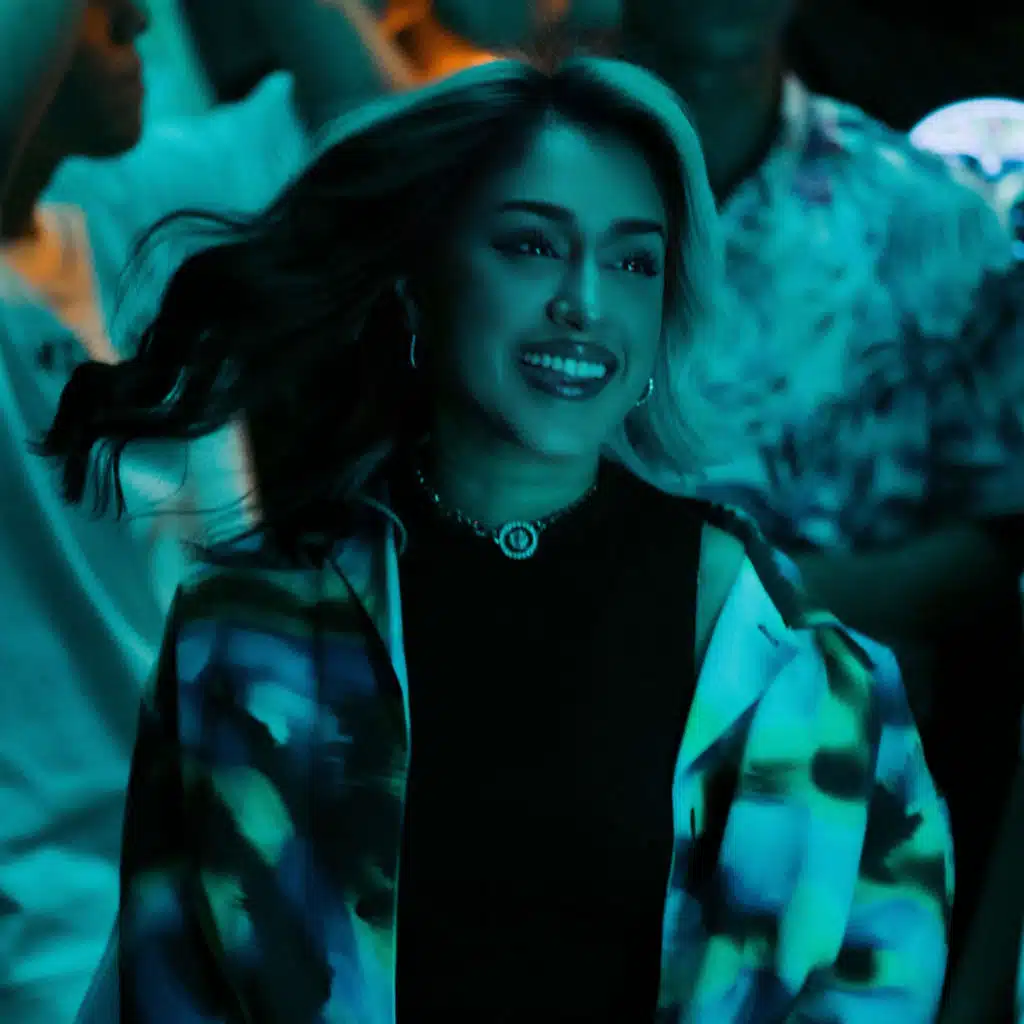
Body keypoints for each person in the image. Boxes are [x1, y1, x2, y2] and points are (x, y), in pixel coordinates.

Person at [42, 56, 952, 1021]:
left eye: (634, 262)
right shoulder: (249, 632)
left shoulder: (777, 657)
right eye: (531, 245)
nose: (585, 302)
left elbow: (881, 974)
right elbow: (167, 983)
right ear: (417, 283)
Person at [0, 2, 411, 1020]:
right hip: (60, 917)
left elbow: (382, 139)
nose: (137, 18)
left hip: (273, 855)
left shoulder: (132, 202)